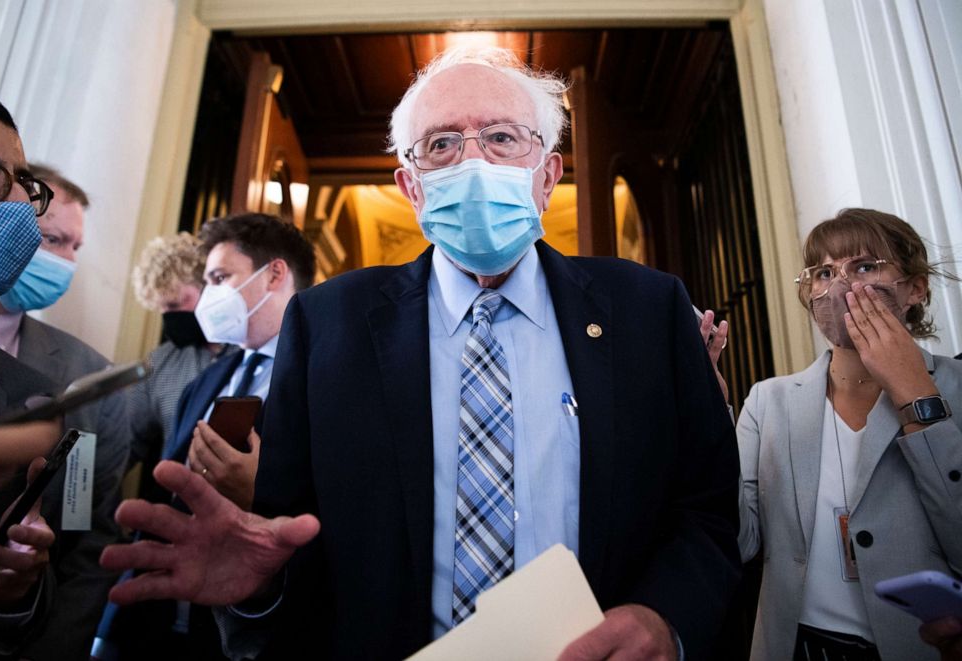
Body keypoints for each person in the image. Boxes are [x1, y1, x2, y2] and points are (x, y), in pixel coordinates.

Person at [101, 47, 741, 660]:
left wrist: (667, 618)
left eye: (501, 137)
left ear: (548, 175)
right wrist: (262, 591)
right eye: (442, 144)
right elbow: (283, 538)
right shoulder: (327, 325)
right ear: (411, 186)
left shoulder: (647, 311)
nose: (474, 162)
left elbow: (707, 512)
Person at [734, 208, 962, 660]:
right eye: (823, 272)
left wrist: (914, 391)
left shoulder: (955, 386)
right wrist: (701, 418)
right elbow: (740, 541)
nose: (838, 286)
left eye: (863, 267)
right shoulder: (768, 402)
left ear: (914, 287)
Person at [96, 213, 314, 660]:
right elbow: (167, 495)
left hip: (265, 622)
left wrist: (259, 493)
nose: (208, 297)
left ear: (274, 273)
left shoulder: (328, 375)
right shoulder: (208, 379)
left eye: (220, 277)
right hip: (165, 617)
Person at [0, 163, 130, 661]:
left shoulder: (92, 374)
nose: (65, 261)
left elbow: (90, 546)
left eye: (75, 248)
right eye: (52, 240)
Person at [124, 231, 229, 499]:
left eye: (175, 304)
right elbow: (125, 441)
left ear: (207, 285)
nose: (170, 319)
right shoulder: (160, 362)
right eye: (162, 310)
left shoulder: (252, 352)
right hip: (174, 506)